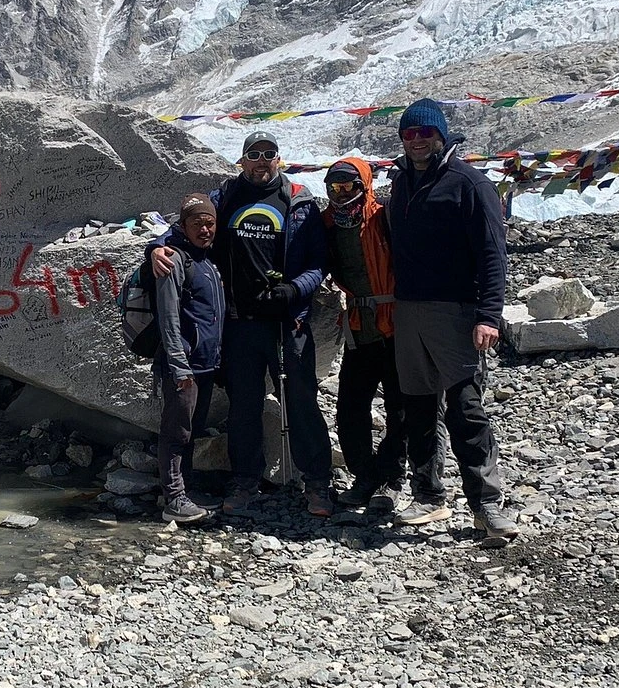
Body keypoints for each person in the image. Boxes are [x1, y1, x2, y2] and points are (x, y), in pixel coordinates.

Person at [151, 131, 331, 516]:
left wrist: (293, 290)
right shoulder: (226, 197)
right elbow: (187, 225)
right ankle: (245, 480)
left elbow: (319, 263)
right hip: (240, 325)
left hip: (288, 322)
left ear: (279, 159)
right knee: (243, 406)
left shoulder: (299, 201)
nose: (261, 160)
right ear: (243, 160)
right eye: (254, 154)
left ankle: (317, 482)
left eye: (269, 153)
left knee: (300, 400)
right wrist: (156, 247)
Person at [386, 99, 518, 544]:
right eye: (409, 134)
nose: (417, 140)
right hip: (409, 311)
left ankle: (486, 505)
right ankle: (428, 494)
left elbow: (493, 255)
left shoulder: (470, 184)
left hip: (456, 312)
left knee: (464, 408)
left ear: (442, 135)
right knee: (417, 407)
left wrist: (489, 316)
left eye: (426, 133)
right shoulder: (401, 183)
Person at [321, 157, 446, 511]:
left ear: (364, 186)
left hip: (396, 324)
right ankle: (365, 476)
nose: (341, 194)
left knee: (399, 408)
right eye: (334, 188)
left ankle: (391, 478)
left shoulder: (386, 216)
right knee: (350, 407)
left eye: (348, 186)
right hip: (359, 326)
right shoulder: (327, 223)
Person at [152, 193, 225, 525]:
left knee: (192, 430)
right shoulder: (174, 261)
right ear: (182, 226)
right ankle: (173, 499)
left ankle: (184, 491)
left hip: (206, 365)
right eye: (197, 224)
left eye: (209, 223)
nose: (204, 229)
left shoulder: (208, 262)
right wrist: (179, 366)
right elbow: (168, 318)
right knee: (177, 432)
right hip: (183, 366)